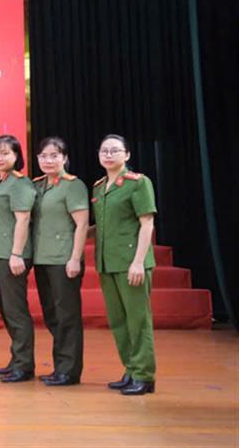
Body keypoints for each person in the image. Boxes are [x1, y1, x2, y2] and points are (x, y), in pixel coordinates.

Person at [93, 134, 157, 396]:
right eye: (104, 150)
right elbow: (102, 226)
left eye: (115, 151)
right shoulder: (98, 187)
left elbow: (147, 224)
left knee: (138, 320)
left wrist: (139, 262)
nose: (109, 155)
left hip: (131, 262)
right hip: (107, 263)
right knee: (118, 321)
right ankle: (130, 369)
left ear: (127, 155)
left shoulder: (138, 183)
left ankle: (144, 375)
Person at [31, 136, 88, 387]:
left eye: (54, 155)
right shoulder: (38, 185)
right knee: (52, 315)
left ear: (64, 158)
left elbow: (82, 224)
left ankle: (69, 371)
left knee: (68, 316)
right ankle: (60, 367)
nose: (48, 160)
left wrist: (75, 258)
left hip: (64, 260)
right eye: (43, 156)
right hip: (42, 259)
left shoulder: (73, 186)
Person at [0, 135, 36, 383]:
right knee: (7, 309)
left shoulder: (20, 183)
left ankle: (24, 365)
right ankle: (17, 358)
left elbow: (23, 219)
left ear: (17, 156)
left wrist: (16, 253)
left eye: (5, 153)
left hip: (11, 254)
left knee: (16, 310)